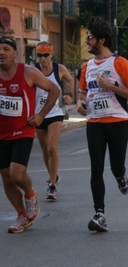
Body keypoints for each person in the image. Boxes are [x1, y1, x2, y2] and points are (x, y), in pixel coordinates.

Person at [76, 17, 128, 232]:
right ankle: (99, 213)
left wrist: (110, 87)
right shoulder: (87, 67)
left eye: (90, 38)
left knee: (115, 166)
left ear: (101, 40)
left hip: (117, 121)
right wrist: (80, 102)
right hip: (94, 122)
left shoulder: (119, 63)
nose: (87, 41)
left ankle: (121, 176)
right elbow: (83, 92)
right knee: (96, 168)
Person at [0, 36, 60, 233]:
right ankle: (21, 216)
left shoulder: (27, 72)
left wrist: (41, 115)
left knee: (16, 173)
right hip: (2, 133)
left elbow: (54, 89)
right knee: (6, 178)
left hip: (22, 130)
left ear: (15, 53)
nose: (1, 53)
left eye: (6, 49)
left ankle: (29, 193)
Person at [34, 41, 75, 200]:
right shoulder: (33, 70)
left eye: (45, 55)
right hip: (38, 115)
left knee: (52, 147)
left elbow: (70, 81)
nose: (42, 58)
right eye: (39, 55)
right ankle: (54, 176)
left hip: (55, 113)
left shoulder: (59, 69)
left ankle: (52, 184)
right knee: (45, 150)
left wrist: (69, 95)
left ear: (52, 54)